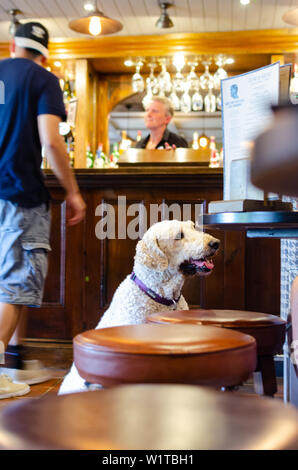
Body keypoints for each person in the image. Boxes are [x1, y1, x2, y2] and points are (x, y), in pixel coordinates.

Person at [0, 22, 86, 398]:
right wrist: (73, 192)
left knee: (7, 284)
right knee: (15, 284)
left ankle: (14, 360)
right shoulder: (43, 79)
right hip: (19, 194)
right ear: (45, 52)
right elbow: (52, 141)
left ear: (14, 45)